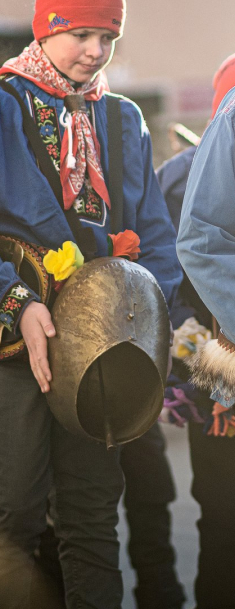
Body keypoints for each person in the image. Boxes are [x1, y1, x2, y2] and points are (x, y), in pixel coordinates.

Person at [0, 0, 182, 609]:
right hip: (8, 341)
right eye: (81, 35)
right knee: (10, 519)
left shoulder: (122, 119)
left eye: (108, 38)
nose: (95, 52)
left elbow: (155, 239)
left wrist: (143, 320)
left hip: (97, 351)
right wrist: (18, 302)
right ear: (45, 28)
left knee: (93, 520)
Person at [165, 54, 235, 609]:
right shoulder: (176, 180)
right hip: (208, 360)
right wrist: (198, 374)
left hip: (207, 352)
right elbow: (164, 292)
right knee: (221, 514)